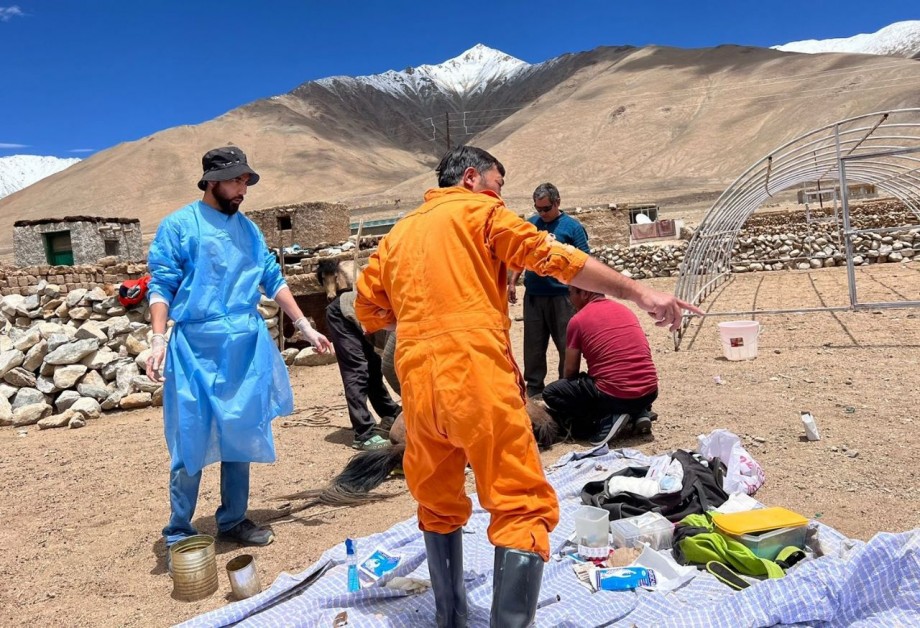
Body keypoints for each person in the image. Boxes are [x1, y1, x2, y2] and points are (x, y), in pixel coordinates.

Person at [354, 145, 702, 627]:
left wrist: (424, 319)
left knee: (436, 500)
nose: (501, 195)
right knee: (521, 504)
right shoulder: (481, 213)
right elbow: (555, 258)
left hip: (417, 383)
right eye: (499, 184)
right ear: (473, 178)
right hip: (475, 374)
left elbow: (367, 308)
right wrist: (640, 292)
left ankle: (450, 619)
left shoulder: (398, 234)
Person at [145, 146, 333, 561]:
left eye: (246, 180)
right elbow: (161, 283)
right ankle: (179, 528)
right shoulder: (180, 226)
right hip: (196, 346)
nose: (242, 188)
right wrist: (158, 338)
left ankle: (232, 520)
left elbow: (271, 276)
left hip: (243, 346)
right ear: (212, 181)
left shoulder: (248, 230)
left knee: (240, 434)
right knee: (189, 439)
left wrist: (303, 324)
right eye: (235, 180)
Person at [542, 286, 659, 446]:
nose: (569, 299)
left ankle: (606, 418)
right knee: (611, 376)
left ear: (584, 293)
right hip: (649, 391)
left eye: (570, 293)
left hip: (617, 395)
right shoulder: (624, 310)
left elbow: (570, 371)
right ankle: (638, 412)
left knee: (551, 393)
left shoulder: (578, 320)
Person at [508, 183, 589, 399]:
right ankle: (534, 388)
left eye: (546, 209)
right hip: (534, 296)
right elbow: (520, 257)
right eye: (538, 209)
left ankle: (566, 386)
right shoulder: (531, 225)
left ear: (557, 202)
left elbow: (584, 262)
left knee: (566, 343)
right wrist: (513, 282)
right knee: (533, 344)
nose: (542, 214)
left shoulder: (572, 227)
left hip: (563, 297)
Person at [325, 289, 401, 451]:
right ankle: (364, 433)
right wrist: (413, 400)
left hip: (363, 322)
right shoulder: (406, 323)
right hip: (343, 314)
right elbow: (389, 367)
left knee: (372, 367)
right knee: (357, 371)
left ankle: (389, 412)